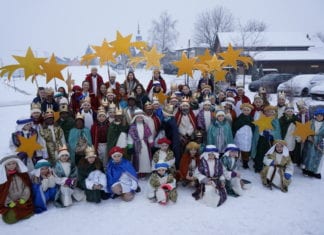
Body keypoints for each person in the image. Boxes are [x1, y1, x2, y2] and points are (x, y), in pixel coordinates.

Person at [0, 156, 34, 224]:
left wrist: (24, 198)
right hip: (11, 203)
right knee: (10, 220)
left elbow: (26, 187)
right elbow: (2, 193)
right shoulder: (2, 178)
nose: (11, 166)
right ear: (4, 165)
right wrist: (9, 202)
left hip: (22, 201)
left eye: (13, 163)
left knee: (28, 214)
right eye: (8, 164)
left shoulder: (22, 174)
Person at [251, 105, 282, 173]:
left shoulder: (275, 121)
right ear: (265, 113)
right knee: (260, 153)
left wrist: (271, 133)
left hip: (271, 140)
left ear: (274, 113)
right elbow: (257, 130)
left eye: (272, 112)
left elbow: (277, 131)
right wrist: (263, 132)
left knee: (269, 153)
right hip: (262, 139)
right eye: (268, 112)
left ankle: (267, 167)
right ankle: (258, 167)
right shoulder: (262, 119)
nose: (270, 113)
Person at [127, 109, 153, 176]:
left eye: (141, 117)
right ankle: (138, 171)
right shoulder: (132, 127)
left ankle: (144, 171)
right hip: (136, 145)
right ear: (135, 118)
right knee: (138, 159)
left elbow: (149, 135)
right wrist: (130, 146)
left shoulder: (146, 126)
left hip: (144, 144)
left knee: (145, 158)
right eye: (138, 117)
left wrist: (150, 142)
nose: (140, 119)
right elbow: (130, 137)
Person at [302, 108, 324, 179]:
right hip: (310, 142)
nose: (319, 117)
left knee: (318, 157)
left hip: (320, 142)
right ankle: (307, 169)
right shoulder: (311, 122)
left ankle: (315, 171)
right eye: (318, 115)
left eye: (321, 115)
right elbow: (305, 130)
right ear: (315, 115)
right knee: (308, 155)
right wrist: (308, 136)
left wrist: (322, 141)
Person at [233, 103, 255, 169]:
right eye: (244, 110)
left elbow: (253, 127)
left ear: (250, 111)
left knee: (246, 150)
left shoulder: (251, 119)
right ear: (242, 110)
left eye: (248, 110)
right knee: (238, 148)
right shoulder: (239, 118)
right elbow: (235, 126)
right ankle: (234, 160)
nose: (246, 111)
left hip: (248, 136)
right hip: (240, 136)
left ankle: (245, 162)